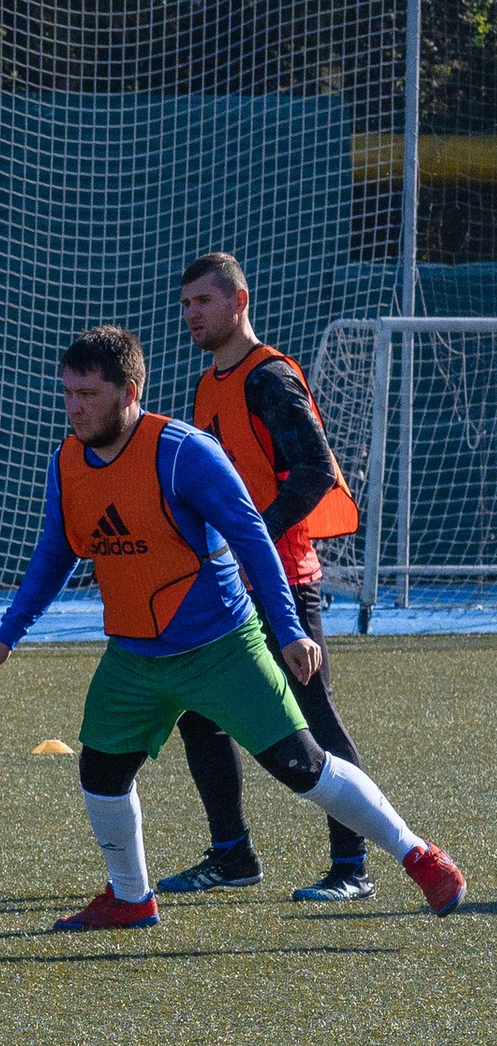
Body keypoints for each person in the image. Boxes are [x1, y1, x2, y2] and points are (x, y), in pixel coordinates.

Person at [0, 325, 463, 930]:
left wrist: (288, 629)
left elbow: (254, 539)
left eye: (88, 394)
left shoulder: (183, 452)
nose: (74, 406)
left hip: (222, 646)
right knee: (100, 770)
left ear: (129, 392)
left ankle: (418, 854)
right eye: (68, 392)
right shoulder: (67, 460)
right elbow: (55, 554)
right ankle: (131, 897)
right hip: (134, 657)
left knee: (301, 767)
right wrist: (8, 633)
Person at [157, 252, 375, 902]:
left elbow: (314, 473)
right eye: (186, 303)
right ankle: (232, 856)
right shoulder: (207, 384)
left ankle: (352, 867)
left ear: (239, 303)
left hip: (283, 581)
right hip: (230, 586)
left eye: (203, 301)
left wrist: (255, 541)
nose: (191, 313)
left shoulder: (268, 377)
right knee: (198, 715)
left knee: (313, 722)